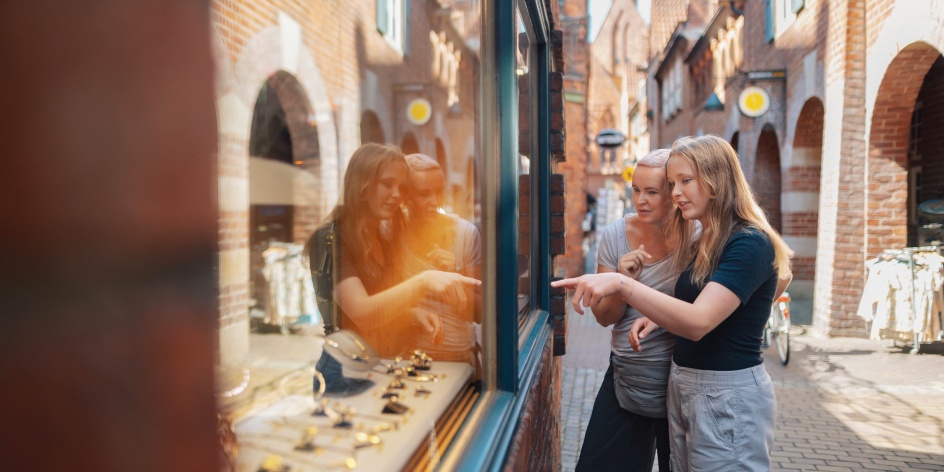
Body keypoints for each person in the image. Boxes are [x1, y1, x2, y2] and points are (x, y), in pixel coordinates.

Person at [553, 135, 792, 471]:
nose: (676, 192)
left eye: (684, 182)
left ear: (716, 179)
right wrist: (662, 317)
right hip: (682, 386)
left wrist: (623, 284)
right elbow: (727, 293)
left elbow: (702, 319)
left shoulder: (745, 240)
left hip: (723, 392)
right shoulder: (712, 236)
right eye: (673, 183)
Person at [576, 149, 692, 472]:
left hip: (680, 384)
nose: (640, 200)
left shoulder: (696, 237)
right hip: (627, 381)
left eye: (652, 192)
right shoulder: (615, 235)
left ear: (673, 192)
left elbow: (706, 306)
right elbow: (603, 317)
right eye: (636, 190)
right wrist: (622, 281)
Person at [307, 143, 480, 357]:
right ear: (362, 184)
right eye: (388, 184)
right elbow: (363, 315)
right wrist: (424, 280)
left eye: (401, 187)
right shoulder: (330, 237)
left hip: (383, 363)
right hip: (347, 369)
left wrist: (411, 314)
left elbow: (380, 303)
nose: (397, 194)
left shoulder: (381, 233)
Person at [401, 153, 481, 363]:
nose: (434, 201)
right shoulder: (391, 235)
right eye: (424, 194)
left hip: (458, 358)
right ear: (405, 196)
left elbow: (481, 312)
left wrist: (454, 275)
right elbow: (377, 309)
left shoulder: (466, 233)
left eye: (439, 192)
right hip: (404, 359)